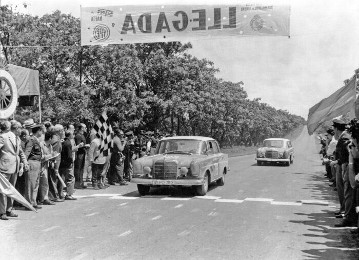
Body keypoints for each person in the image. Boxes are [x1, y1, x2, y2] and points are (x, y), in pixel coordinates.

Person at [0, 121, 28, 220]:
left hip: (14, 167)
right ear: (16, 129)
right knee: (3, 190)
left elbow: (20, 152)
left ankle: (9, 209)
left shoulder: (18, 139)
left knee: (12, 189)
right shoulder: (4, 136)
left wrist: (25, 162)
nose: (22, 130)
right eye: (20, 128)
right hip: (5, 167)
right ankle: (2, 212)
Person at [331, 117, 356, 227]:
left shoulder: (345, 137)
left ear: (336, 129)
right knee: (346, 191)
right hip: (344, 165)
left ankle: (348, 217)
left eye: (334, 128)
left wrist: (338, 161)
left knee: (348, 192)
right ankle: (346, 214)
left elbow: (348, 149)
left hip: (346, 165)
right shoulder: (344, 136)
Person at [24, 123, 44, 210]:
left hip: (37, 162)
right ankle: (28, 203)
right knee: (30, 184)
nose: (42, 132)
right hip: (32, 162)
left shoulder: (36, 139)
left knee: (36, 184)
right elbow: (27, 152)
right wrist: (25, 163)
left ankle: (33, 201)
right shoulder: (31, 140)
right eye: (41, 130)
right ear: (38, 131)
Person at [37, 130, 57, 205]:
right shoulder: (41, 144)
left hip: (45, 166)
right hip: (39, 165)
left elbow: (50, 155)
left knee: (44, 182)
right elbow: (41, 157)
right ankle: (38, 199)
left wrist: (53, 158)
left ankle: (45, 198)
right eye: (54, 138)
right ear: (50, 139)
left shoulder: (50, 146)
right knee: (37, 183)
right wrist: (51, 156)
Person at [47, 124, 65, 202]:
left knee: (54, 179)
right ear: (59, 131)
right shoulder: (56, 140)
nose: (64, 132)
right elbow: (55, 153)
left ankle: (55, 195)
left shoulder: (56, 138)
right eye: (63, 130)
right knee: (53, 179)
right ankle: (54, 196)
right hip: (54, 161)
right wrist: (56, 166)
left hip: (55, 161)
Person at [59, 130, 77, 200]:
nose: (73, 135)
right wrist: (71, 162)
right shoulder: (68, 143)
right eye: (72, 134)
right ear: (69, 135)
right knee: (70, 178)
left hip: (61, 163)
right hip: (67, 164)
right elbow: (69, 155)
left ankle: (60, 193)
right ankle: (69, 194)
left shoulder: (62, 141)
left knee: (61, 179)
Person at [74, 123, 87, 189]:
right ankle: (77, 183)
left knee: (81, 168)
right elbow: (78, 145)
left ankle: (81, 183)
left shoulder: (82, 135)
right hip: (79, 154)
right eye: (85, 127)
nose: (86, 128)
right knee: (78, 168)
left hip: (82, 153)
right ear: (81, 128)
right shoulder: (78, 136)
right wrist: (85, 146)